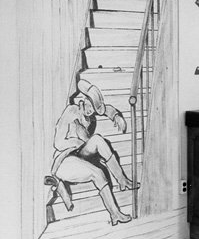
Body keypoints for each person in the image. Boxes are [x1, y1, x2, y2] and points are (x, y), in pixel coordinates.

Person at [45, 79, 134, 225]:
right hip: (64, 160)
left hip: (79, 155)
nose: (90, 111)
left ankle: (122, 180)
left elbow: (106, 109)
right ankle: (115, 213)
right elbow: (58, 143)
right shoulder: (72, 111)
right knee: (98, 173)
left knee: (98, 139)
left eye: (93, 110)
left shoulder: (90, 113)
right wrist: (78, 143)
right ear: (84, 100)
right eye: (89, 107)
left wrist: (117, 116)